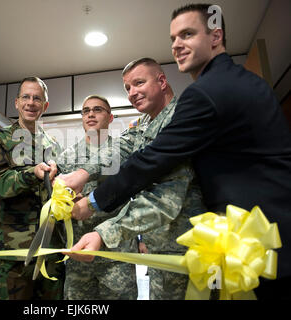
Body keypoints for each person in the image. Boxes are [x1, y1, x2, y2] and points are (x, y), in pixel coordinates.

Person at [62, 3, 291, 300]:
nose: (177, 45)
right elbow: (124, 146)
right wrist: (82, 173)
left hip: (257, 242)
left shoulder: (202, 96)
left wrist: (95, 208)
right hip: (229, 242)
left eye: (187, 34)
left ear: (215, 36)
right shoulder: (230, 84)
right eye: (172, 39)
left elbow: (155, 170)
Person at [66, 59, 206, 300]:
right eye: (127, 88)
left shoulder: (180, 121)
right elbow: (120, 148)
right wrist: (83, 173)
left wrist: (102, 232)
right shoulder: (145, 123)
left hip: (188, 251)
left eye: (138, 83)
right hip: (161, 248)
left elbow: (163, 200)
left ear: (161, 81)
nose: (132, 93)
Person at [0, 76, 64, 300]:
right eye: (26, 97)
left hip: (50, 249)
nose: (31, 103)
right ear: (16, 103)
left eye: (37, 98)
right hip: (13, 250)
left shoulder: (54, 146)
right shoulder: (0, 139)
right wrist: (32, 174)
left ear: (45, 106)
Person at [56, 95, 139, 300]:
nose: (91, 114)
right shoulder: (66, 156)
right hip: (79, 255)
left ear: (110, 118)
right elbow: (58, 199)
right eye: (86, 111)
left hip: (116, 253)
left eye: (98, 110)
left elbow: (136, 195)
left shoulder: (124, 151)